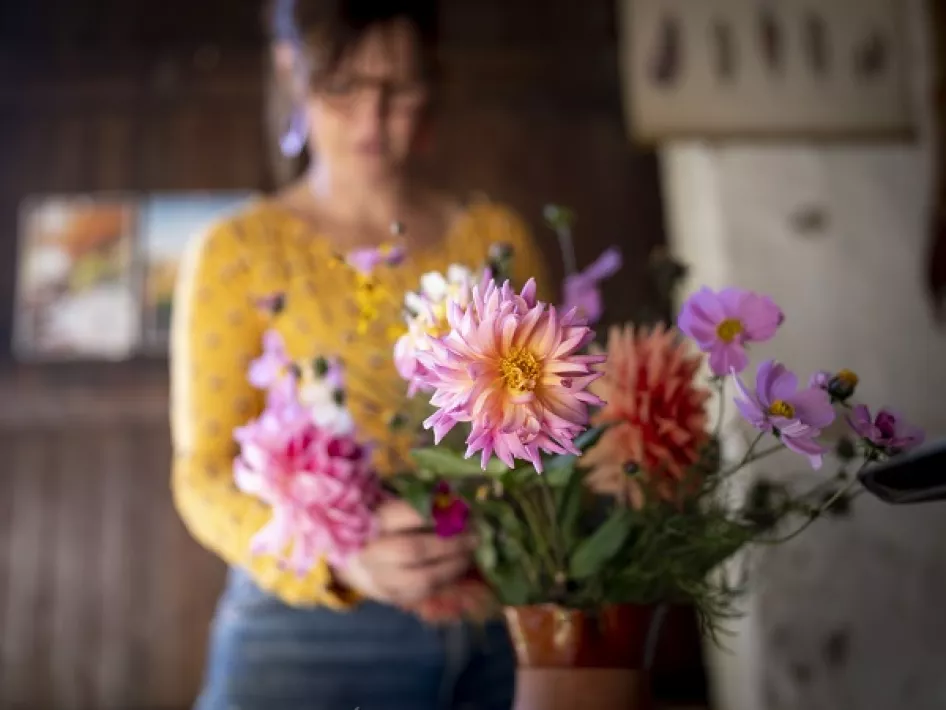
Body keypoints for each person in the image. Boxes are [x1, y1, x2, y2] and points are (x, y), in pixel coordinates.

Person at [169, 1, 550, 708]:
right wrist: (339, 556)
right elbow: (204, 475)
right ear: (292, 74)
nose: (372, 122)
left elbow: (548, 430)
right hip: (307, 630)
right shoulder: (238, 251)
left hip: (496, 617)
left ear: (430, 86)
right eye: (343, 88)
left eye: (398, 90)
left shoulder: (494, 237)